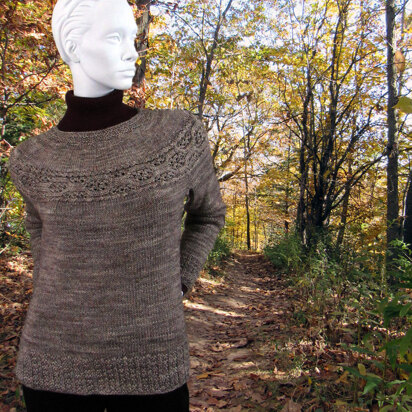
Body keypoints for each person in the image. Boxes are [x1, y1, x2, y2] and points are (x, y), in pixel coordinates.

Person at [7, 0, 227, 411]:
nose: (132, 53)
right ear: (73, 45)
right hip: (53, 365)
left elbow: (209, 215)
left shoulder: (177, 135)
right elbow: (40, 235)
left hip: (152, 362)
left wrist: (177, 280)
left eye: (133, 38)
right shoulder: (29, 159)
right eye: (114, 37)